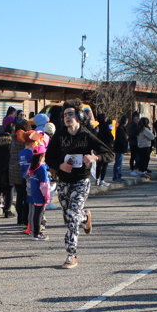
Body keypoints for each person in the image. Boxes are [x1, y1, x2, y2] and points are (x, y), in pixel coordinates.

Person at [45, 99, 113, 269]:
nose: (67, 117)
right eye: (65, 115)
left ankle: (71, 254)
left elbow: (109, 154)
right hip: (63, 181)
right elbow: (49, 157)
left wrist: (95, 157)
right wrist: (60, 165)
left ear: (79, 116)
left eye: (70, 114)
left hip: (81, 181)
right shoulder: (60, 135)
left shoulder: (86, 135)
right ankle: (85, 216)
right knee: (68, 217)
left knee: (73, 216)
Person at [26, 139, 51, 240]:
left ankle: (34, 232)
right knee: (39, 214)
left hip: (34, 192)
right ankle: (36, 233)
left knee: (36, 213)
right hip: (41, 194)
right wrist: (47, 197)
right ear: (42, 155)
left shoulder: (32, 167)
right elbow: (44, 185)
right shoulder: (42, 168)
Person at [112, 116, 129, 182]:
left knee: (120, 163)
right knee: (118, 163)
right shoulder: (120, 128)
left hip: (122, 148)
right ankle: (116, 176)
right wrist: (124, 144)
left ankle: (119, 175)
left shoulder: (123, 128)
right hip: (120, 148)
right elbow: (121, 139)